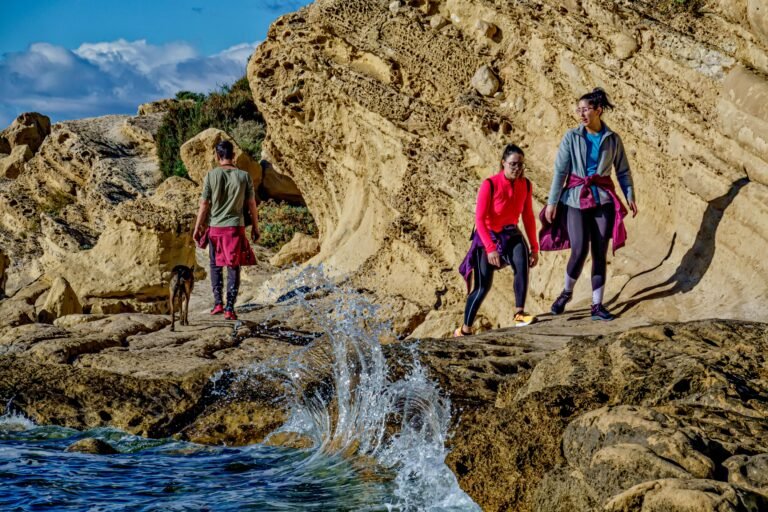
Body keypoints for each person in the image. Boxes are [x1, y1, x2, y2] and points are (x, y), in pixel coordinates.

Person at [542, 88, 638, 321]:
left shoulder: (612, 139)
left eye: (585, 109)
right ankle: (566, 293)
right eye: (579, 110)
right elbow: (560, 171)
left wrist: (630, 194)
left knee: (599, 251)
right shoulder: (572, 137)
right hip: (575, 199)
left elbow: (622, 170)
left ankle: (597, 306)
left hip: (603, 199)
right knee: (579, 248)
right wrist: (552, 202)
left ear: (598, 111)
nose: (581, 113)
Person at [456, 144, 539, 336]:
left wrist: (534, 248)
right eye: (512, 164)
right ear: (503, 163)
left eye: (520, 164)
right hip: (488, 237)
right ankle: (465, 329)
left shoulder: (525, 184)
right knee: (483, 286)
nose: (517, 168)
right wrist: (490, 248)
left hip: (511, 234)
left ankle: (519, 313)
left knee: (522, 264)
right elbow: (479, 219)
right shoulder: (490, 184)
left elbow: (528, 217)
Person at [193, 140, 260, 321]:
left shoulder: (211, 175)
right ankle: (230, 308)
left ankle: (218, 304)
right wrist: (255, 226)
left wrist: (198, 226)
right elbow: (251, 204)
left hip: (216, 228)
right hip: (235, 228)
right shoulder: (244, 176)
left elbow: (204, 204)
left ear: (217, 156)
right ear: (234, 156)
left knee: (215, 266)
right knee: (233, 267)